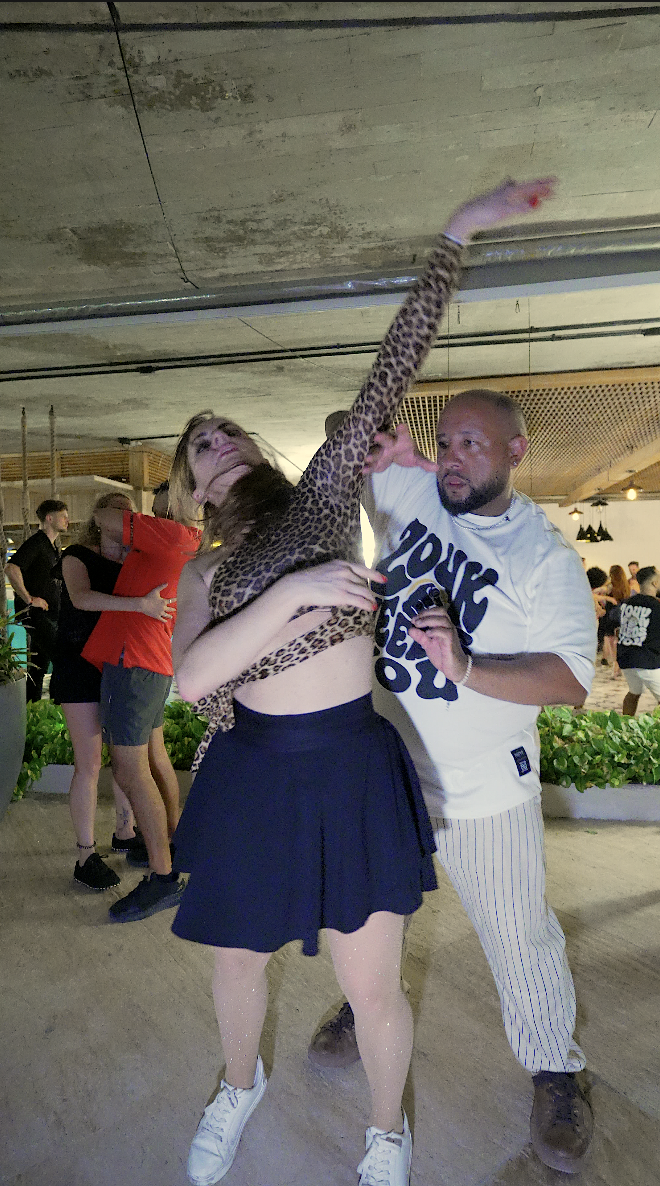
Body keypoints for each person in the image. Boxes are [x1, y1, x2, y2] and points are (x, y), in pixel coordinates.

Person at [168, 178, 556, 1186]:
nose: (222, 438)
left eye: (228, 428)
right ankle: (239, 1084)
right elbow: (194, 678)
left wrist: (456, 236)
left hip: (348, 759)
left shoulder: (322, 498)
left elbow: (391, 368)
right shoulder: (205, 571)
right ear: (193, 488)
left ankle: (387, 1132)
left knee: (371, 982)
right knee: (235, 958)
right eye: (202, 443)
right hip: (252, 768)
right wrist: (296, 598)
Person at [308, 391, 597, 1176]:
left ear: (516, 452)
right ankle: (367, 1003)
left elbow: (569, 678)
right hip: (385, 770)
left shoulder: (543, 556)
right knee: (369, 911)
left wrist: (466, 669)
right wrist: (392, 449)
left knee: (518, 935)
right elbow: (340, 428)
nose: (454, 457)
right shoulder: (413, 487)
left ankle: (555, 1071)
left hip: (483, 789)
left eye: (474, 443)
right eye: (446, 441)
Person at [81, 481, 200, 922]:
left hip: (132, 663)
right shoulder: (186, 539)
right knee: (153, 759)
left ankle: (163, 878)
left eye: (159, 504)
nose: (153, 511)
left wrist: (137, 520)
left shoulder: (167, 532)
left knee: (130, 771)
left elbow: (102, 516)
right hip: (150, 663)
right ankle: (170, 847)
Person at [50, 491, 174, 891]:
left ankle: (125, 831)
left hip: (118, 666)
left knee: (126, 755)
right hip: (79, 665)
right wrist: (140, 605)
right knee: (89, 763)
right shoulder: (77, 555)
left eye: (129, 512)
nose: (123, 517)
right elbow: (81, 598)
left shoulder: (133, 561)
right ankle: (85, 855)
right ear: (100, 518)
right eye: (116, 511)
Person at [5, 498, 69, 701]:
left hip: (48, 614)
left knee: (39, 666)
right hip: (37, 614)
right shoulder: (38, 542)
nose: (67, 520)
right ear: (49, 518)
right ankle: (61, 704)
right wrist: (29, 599)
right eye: (63, 516)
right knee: (62, 659)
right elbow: (11, 568)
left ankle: (32, 707)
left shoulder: (51, 547)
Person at [618, 565, 660, 715]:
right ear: (655, 583)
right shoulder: (656, 606)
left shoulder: (626, 603)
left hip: (625, 657)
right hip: (647, 660)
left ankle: (625, 724)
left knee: (634, 692)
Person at [601, 564, 629, 674]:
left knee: (610, 640)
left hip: (610, 616)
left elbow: (597, 591)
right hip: (622, 616)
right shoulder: (626, 586)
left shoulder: (610, 586)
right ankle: (619, 665)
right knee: (619, 641)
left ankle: (615, 665)